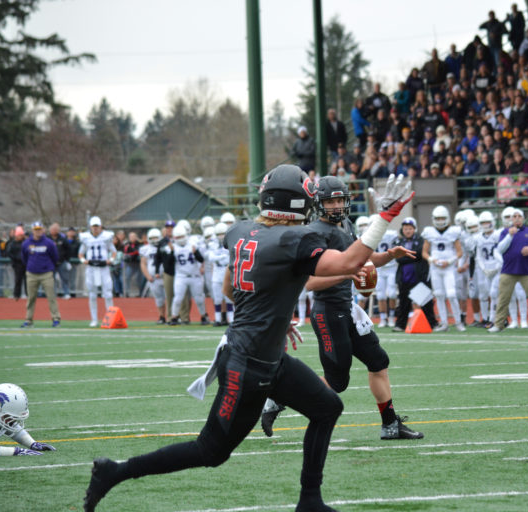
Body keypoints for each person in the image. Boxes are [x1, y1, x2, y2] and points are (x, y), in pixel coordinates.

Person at [83, 165, 414, 512]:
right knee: (210, 451)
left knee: (328, 407)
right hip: (247, 363)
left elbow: (230, 288)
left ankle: (310, 501)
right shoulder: (292, 239)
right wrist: (385, 216)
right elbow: (351, 260)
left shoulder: (242, 231)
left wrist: (272, 315)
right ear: (296, 203)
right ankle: (115, 471)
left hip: (266, 355)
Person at [261, 175, 424, 442]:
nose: (337, 206)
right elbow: (310, 283)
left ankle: (390, 424)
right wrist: (347, 275)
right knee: (337, 382)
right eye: (330, 201)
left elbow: (362, 258)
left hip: (347, 309)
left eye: (340, 200)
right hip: (327, 312)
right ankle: (279, 398)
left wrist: (388, 256)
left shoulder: (345, 224)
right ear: (318, 204)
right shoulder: (313, 234)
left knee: (378, 362)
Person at [489, 209, 528, 333]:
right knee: (503, 298)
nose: (517, 218)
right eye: (514, 216)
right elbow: (500, 249)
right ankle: (498, 324)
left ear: (523, 218)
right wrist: (509, 236)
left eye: (519, 216)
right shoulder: (505, 232)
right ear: (511, 219)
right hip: (508, 270)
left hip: (526, 271)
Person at [422, 206, 465, 332]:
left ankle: (458, 322)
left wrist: (449, 261)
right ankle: (444, 323)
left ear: (447, 218)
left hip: (448, 268)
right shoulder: (429, 231)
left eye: (442, 218)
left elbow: (459, 252)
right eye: (438, 218)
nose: (440, 221)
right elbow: (424, 252)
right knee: (439, 295)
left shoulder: (453, 231)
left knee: (451, 294)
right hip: (435, 268)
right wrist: (432, 260)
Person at [392, 217, 438, 332]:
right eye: (405, 228)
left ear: (414, 229)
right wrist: (411, 256)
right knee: (403, 303)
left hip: (419, 276)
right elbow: (398, 258)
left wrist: (405, 255)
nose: (407, 231)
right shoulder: (398, 242)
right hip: (404, 277)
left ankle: (433, 323)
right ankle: (400, 325)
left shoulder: (421, 240)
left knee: (426, 302)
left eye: (410, 228)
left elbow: (420, 254)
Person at [20, 221, 61, 328]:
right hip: (31, 273)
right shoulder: (26, 243)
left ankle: (56, 318)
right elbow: (24, 258)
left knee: (51, 296)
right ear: (32, 231)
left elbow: (55, 257)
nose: (38, 231)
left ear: (43, 230)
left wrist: (48, 267)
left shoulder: (49, 243)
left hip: (46, 273)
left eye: (39, 229)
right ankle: (28, 320)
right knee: (31, 297)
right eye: (36, 230)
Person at [167, 225, 209, 326]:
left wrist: (196, 253)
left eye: (182, 236)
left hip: (195, 276)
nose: (180, 239)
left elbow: (201, 259)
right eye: (178, 237)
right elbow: (169, 263)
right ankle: (174, 317)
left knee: (199, 298)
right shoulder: (173, 247)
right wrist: (172, 252)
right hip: (181, 276)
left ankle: (204, 316)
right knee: (178, 298)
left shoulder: (193, 244)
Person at [79, 216, 117, 328]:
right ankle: (94, 319)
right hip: (91, 268)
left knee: (108, 294)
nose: (95, 228)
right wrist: (83, 261)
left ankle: (110, 318)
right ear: (90, 227)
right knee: (92, 295)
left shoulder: (106, 237)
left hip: (103, 268)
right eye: (93, 226)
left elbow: (114, 252)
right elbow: (80, 254)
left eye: (97, 226)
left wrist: (110, 260)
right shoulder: (85, 238)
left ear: (100, 226)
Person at [474, 211, 502, 328]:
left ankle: (495, 318)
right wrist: (484, 268)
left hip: (497, 268)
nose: (485, 225)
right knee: (485, 294)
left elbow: (501, 253)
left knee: (494, 293)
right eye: (483, 223)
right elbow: (478, 256)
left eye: (487, 222)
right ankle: (487, 319)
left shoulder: (498, 234)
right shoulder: (478, 237)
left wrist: (497, 267)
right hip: (486, 270)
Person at [372, 214, 399, 327]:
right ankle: (383, 318)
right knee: (380, 295)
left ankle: (392, 317)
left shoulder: (391, 235)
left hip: (391, 267)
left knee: (392, 294)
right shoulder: (369, 236)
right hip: (379, 268)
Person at [140, 228, 166, 324]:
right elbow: (143, 263)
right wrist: (147, 276)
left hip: (165, 276)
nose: (154, 240)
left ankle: (173, 317)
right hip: (153, 278)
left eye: (156, 238)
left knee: (171, 298)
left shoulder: (165, 246)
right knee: (159, 299)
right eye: (152, 238)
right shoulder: (145, 249)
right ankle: (162, 316)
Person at [48, 223, 71, 299]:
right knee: (51, 280)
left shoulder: (62, 238)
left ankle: (66, 293)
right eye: (53, 229)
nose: (54, 231)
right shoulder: (47, 239)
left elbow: (68, 249)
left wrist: (67, 260)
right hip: (51, 263)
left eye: (56, 229)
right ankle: (53, 294)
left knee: (65, 278)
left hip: (61, 262)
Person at [7, 226, 27, 301]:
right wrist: (15, 258)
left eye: (21, 235)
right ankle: (16, 295)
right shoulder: (12, 244)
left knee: (27, 280)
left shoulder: (25, 242)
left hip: (25, 264)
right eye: (19, 235)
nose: (20, 236)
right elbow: (9, 253)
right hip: (17, 264)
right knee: (18, 280)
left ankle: (27, 294)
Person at [122, 232, 142, 297]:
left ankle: (140, 292)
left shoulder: (139, 244)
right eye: (131, 237)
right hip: (129, 264)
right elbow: (125, 253)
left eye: (134, 236)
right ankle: (126, 292)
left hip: (138, 264)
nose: (132, 238)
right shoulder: (126, 244)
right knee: (127, 277)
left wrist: (133, 252)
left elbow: (138, 252)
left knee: (138, 279)